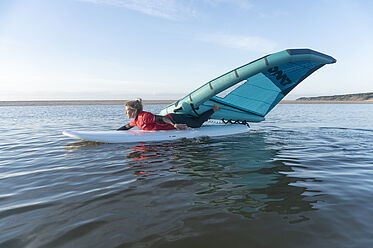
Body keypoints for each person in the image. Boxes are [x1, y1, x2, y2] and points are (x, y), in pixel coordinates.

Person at [117, 98, 221, 131]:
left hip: (173, 119)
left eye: (127, 110)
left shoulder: (144, 117)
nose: (126, 112)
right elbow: (127, 126)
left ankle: (214, 109)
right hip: (172, 122)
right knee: (194, 119)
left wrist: (175, 125)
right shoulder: (136, 121)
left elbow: (162, 118)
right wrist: (115, 133)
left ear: (134, 110)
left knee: (197, 124)